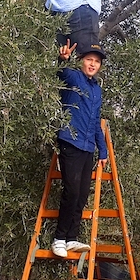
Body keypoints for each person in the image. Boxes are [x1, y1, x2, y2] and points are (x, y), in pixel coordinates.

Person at [51, 39, 107, 258]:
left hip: (87, 147)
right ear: (81, 61)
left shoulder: (96, 90)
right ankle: (59, 239)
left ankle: (72, 237)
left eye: (96, 61)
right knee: (71, 190)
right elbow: (60, 72)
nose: (92, 64)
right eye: (89, 60)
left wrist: (102, 151)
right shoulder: (73, 77)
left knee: (82, 193)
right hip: (70, 141)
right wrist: (61, 59)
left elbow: (95, 123)